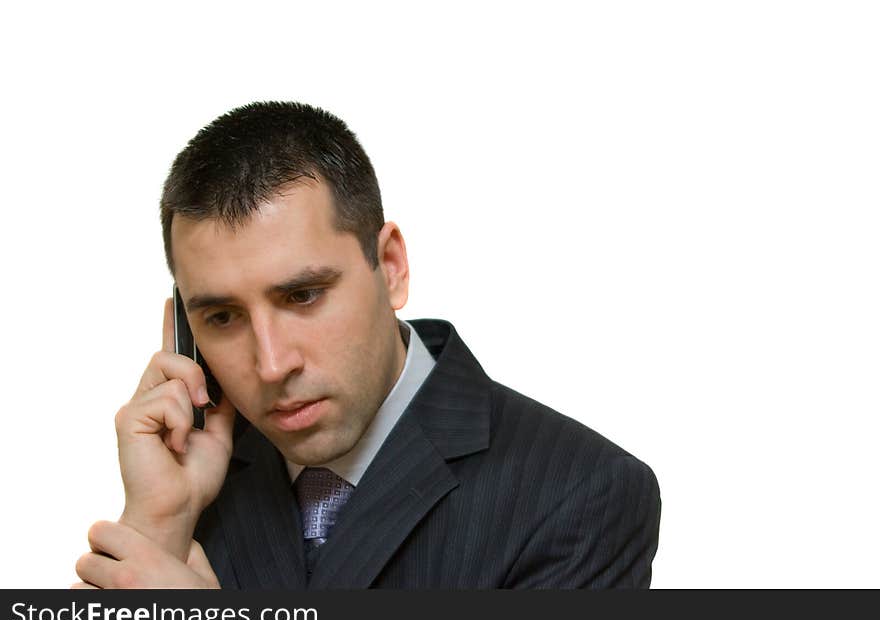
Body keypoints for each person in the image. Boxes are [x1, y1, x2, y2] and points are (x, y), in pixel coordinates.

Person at [74, 101, 661, 589]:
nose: (273, 363)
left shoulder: (581, 494)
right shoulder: (194, 480)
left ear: (391, 266)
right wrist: (161, 520)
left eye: (303, 295)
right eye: (223, 316)